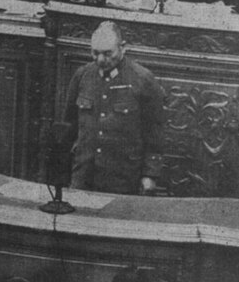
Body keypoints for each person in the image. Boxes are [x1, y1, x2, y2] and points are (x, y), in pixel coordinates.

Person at [60, 21, 166, 195]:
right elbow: (69, 126)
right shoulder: (82, 76)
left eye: (108, 53)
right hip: (84, 175)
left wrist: (150, 175)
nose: (101, 60)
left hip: (123, 178)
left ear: (123, 48)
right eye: (95, 53)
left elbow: (154, 133)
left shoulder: (143, 79)